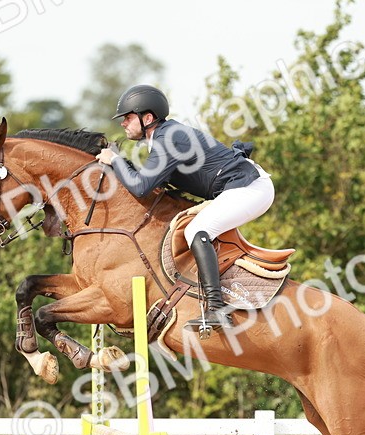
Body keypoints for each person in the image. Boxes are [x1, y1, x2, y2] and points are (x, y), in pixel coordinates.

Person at [95, 84, 275, 335]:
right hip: (240, 187)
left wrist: (115, 160)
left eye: (127, 117)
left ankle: (216, 308)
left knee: (196, 230)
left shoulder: (168, 138)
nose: (123, 124)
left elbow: (141, 187)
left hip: (250, 188)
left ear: (147, 118)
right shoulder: (162, 137)